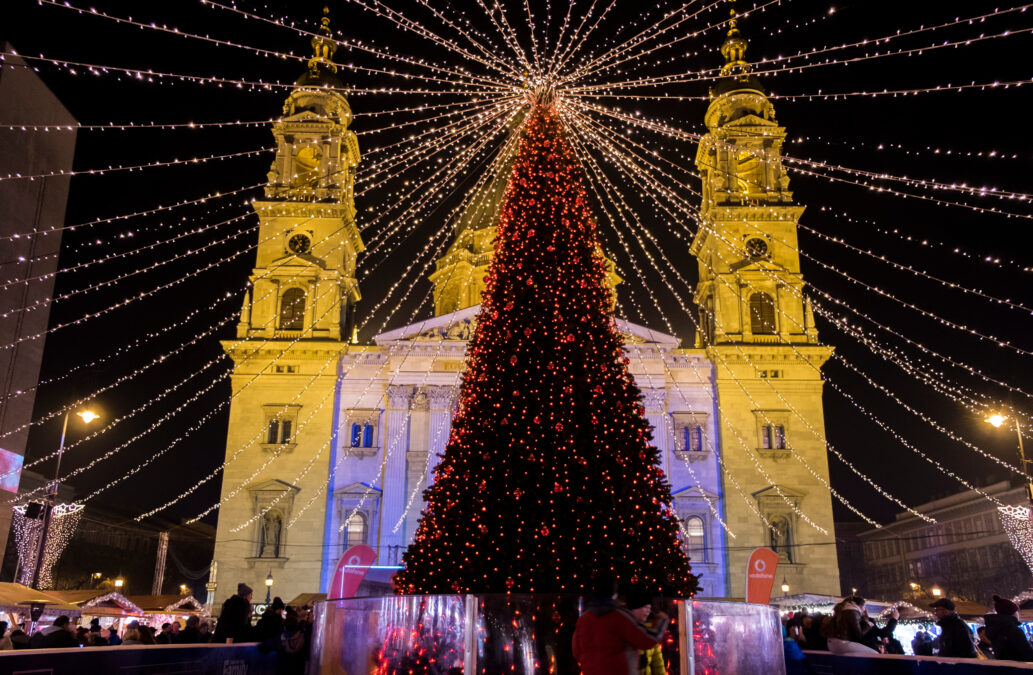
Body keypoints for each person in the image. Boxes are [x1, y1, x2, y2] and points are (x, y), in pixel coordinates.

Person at [571, 576, 669, 675]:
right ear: (614, 594)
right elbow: (647, 640)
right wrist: (661, 620)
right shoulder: (621, 617)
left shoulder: (583, 619)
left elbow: (577, 652)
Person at [622, 584, 664, 675]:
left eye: (649, 608)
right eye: (645, 607)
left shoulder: (650, 630)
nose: (648, 611)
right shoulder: (621, 628)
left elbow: (658, 663)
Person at [985, 594, 1033, 662]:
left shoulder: (995, 629)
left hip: (1004, 667)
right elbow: (1028, 654)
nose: (1018, 614)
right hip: (1019, 669)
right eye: (1017, 611)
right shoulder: (1013, 630)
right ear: (1013, 612)